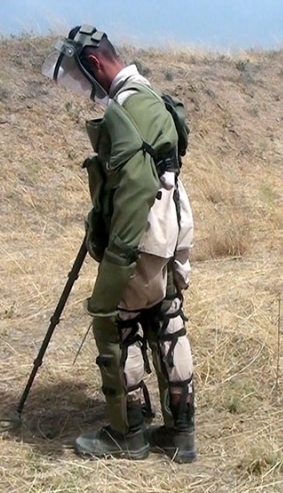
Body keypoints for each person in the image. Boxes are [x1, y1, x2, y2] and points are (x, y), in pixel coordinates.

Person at [41, 25, 197, 463]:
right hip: (172, 226)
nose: (81, 88)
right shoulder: (151, 95)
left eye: (78, 76)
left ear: (93, 64)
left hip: (142, 233)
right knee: (166, 316)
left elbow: (133, 186)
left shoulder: (125, 109)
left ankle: (127, 433)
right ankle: (181, 431)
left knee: (115, 320)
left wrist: (116, 261)